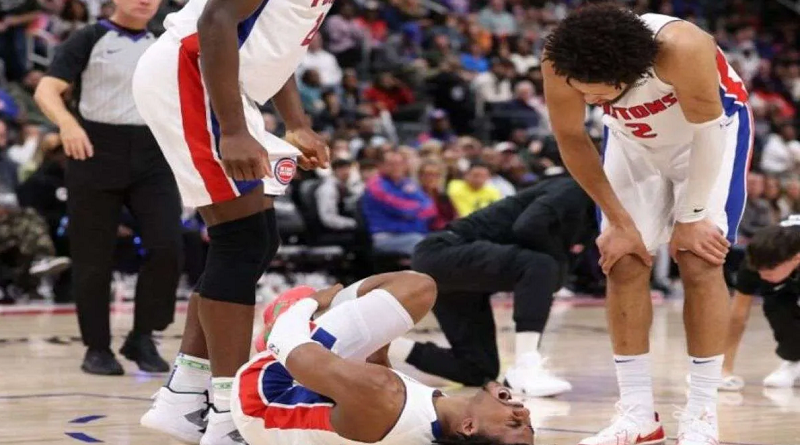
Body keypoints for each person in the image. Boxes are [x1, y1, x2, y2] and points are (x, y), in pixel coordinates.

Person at [542, 4, 753, 445]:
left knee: (699, 258)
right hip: (632, 143)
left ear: (633, 73)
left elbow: (708, 134)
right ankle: (638, 416)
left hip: (708, 138)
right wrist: (619, 222)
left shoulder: (682, 47)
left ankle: (701, 414)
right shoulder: (561, 58)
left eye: (601, 96)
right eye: (585, 95)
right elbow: (571, 137)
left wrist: (691, 218)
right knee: (623, 258)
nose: (592, 102)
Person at [130, 0, 332, 443]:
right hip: (193, 73)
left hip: (222, 84)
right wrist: (234, 130)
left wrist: (296, 123)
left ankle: (183, 396)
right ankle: (227, 414)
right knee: (241, 240)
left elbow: (277, 47)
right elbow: (217, 18)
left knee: (256, 239)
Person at [34, 0, 184, 376]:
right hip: (94, 150)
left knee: (168, 246)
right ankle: (97, 348)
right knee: (93, 257)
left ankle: (143, 336)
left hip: (153, 153)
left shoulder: (167, 41)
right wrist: (67, 124)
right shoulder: (89, 37)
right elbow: (46, 90)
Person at [234, 271, 535, 445]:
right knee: (412, 295)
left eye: (513, 425)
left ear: (468, 427)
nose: (523, 412)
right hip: (314, 398)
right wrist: (379, 338)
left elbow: (285, 343)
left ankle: (297, 316)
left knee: (416, 288)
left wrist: (309, 304)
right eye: (528, 425)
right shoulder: (441, 422)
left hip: (263, 398)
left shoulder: (385, 395)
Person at [395, 175, 593, 397]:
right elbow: (528, 225)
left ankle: (384, 346)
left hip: (455, 266)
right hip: (444, 250)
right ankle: (525, 365)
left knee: (478, 370)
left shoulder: (598, 213)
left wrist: (555, 272)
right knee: (541, 264)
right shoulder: (575, 189)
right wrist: (556, 267)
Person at [721, 219, 800, 390]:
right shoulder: (755, 262)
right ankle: (794, 360)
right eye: (760, 271)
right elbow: (738, 316)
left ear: (796, 259)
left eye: (770, 271)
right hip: (782, 288)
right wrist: (724, 369)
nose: (763, 275)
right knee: (777, 309)